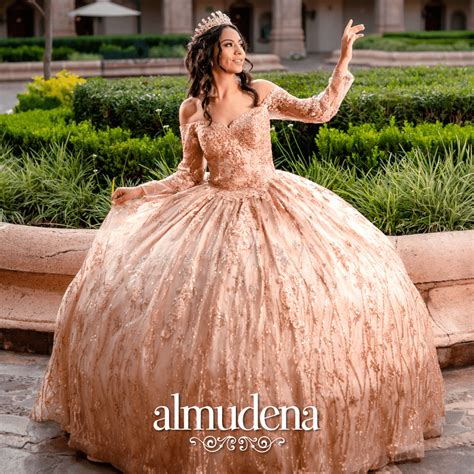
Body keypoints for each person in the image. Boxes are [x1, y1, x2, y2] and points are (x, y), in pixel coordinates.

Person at [31, 10, 445, 473]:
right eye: (230, 45)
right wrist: (139, 192)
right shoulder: (193, 110)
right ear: (210, 53)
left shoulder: (261, 93)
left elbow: (320, 111)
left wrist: (343, 57)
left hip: (275, 202)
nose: (240, 51)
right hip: (214, 209)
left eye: (241, 44)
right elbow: (188, 175)